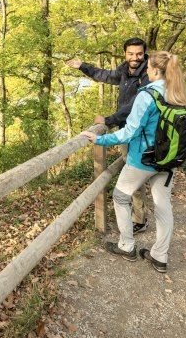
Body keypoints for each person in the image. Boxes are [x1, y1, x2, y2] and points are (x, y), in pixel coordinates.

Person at [82, 51, 186, 273]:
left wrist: (100, 139)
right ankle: (160, 257)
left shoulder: (147, 95)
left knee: (120, 197)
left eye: (148, 67)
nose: (146, 70)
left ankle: (127, 246)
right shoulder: (178, 92)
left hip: (143, 159)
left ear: (153, 70)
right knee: (163, 205)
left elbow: (129, 132)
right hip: (168, 160)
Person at [67, 37, 150, 234]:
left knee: (134, 173)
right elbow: (105, 75)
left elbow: (135, 105)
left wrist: (108, 120)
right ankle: (139, 215)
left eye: (139, 54)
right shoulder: (124, 71)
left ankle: (139, 220)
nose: (135, 57)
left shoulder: (147, 75)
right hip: (126, 130)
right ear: (125, 54)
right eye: (131, 54)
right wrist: (82, 66)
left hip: (138, 132)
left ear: (144, 53)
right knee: (133, 170)